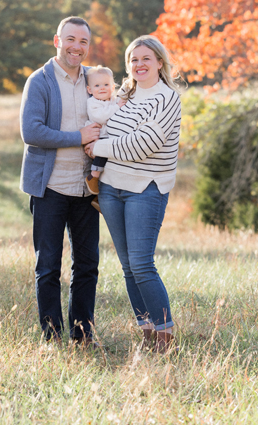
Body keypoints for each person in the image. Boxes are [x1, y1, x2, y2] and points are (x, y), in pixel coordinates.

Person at [84, 35, 184, 353]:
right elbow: (113, 131)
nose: (139, 65)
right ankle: (147, 331)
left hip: (146, 189)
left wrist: (97, 147)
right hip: (112, 188)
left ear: (159, 62)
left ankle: (165, 341)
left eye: (145, 58)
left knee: (142, 264)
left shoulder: (167, 99)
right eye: (133, 60)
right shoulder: (125, 96)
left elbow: (143, 145)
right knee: (128, 266)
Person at [19, 16, 102, 345]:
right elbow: (32, 132)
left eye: (83, 42)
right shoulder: (39, 81)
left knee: (87, 266)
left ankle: (83, 337)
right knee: (48, 266)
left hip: (86, 189)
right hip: (50, 188)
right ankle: (51, 339)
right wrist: (77, 136)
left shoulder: (94, 81)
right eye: (70, 39)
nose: (76, 47)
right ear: (57, 40)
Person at [82, 66, 125, 206]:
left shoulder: (113, 100)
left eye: (106, 84)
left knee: (111, 167)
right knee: (103, 153)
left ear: (112, 87)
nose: (102, 88)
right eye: (97, 85)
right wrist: (118, 107)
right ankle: (92, 177)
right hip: (98, 137)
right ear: (90, 90)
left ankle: (98, 198)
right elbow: (100, 117)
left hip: (108, 138)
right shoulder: (93, 102)